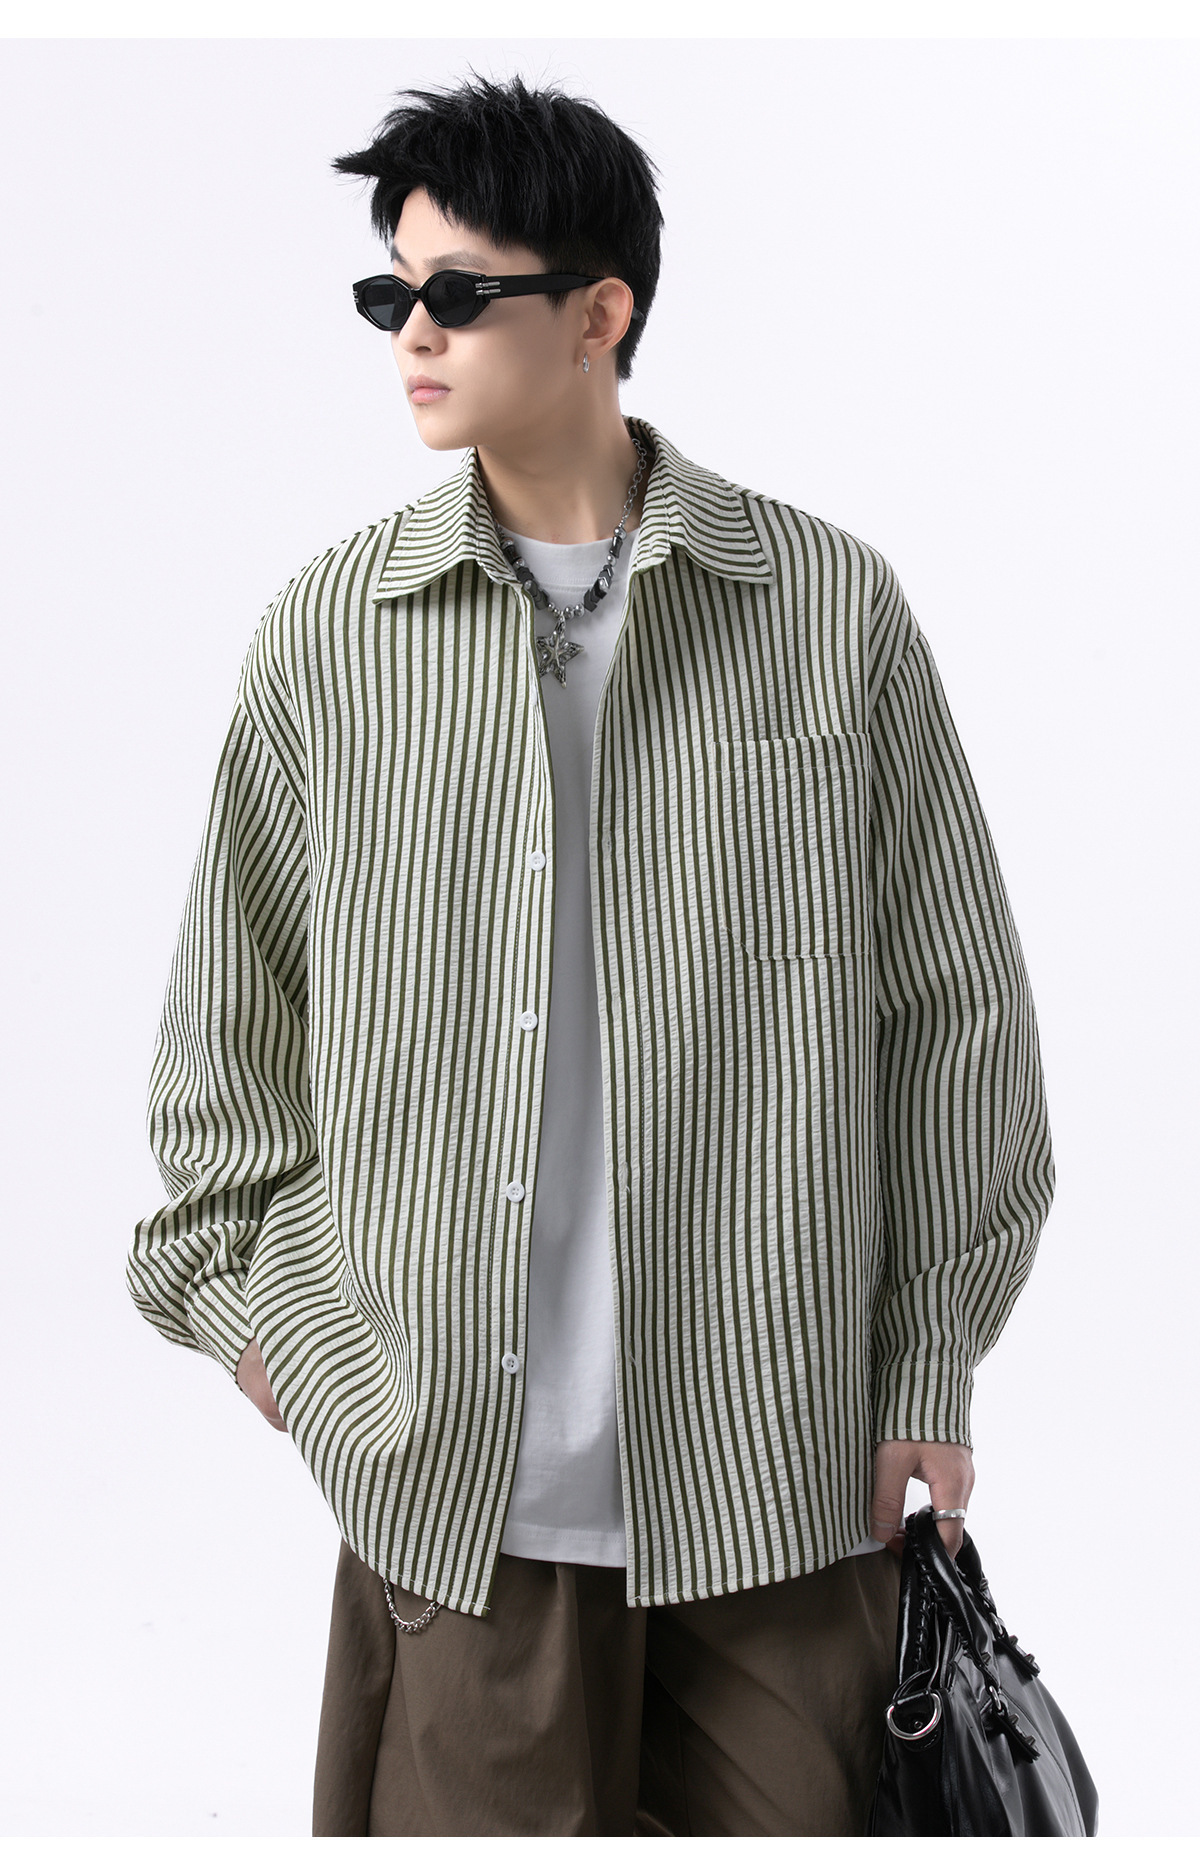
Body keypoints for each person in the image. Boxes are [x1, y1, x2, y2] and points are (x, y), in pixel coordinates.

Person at [128, 72, 1055, 1837]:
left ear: (599, 311)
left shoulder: (826, 611)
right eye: (390, 292)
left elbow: (958, 1021)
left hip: (779, 1475)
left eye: (456, 292)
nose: (413, 332)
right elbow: (223, 1045)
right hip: (455, 1489)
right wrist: (289, 1346)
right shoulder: (332, 636)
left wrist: (930, 1353)